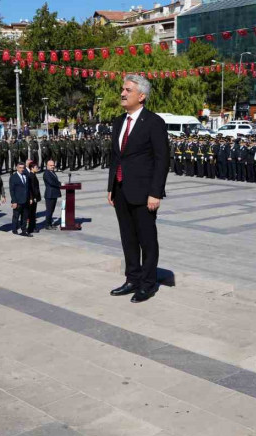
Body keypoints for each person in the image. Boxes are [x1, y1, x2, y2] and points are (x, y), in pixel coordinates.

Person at [106, 75, 169, 304]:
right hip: (121, 189)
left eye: (128, 90)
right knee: (128, 238)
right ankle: (132, 278)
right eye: (122, 89)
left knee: (147, 240)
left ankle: (148, 283)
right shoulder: (118, 122)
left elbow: (162, 160)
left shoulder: (154, 122)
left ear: (141, 96)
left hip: (144, 193)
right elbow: (116, 157)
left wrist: (155, 192)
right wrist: (111, 186)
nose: (123, 93)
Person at [9, 162, 31, 237]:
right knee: (16, 216)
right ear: (16, 168)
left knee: (24, 217)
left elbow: (28, 188)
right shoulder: (13, 177)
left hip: (26, 200)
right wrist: (14, 201)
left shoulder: (26, 176)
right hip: (17, 201)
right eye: (20, 168)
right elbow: (12, 190)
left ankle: (24, 231)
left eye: (23, 168)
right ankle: (14, 231)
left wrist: (30, 198)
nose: (22, 169)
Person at [42, 160, 61, 229]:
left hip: (54, 194)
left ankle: (50, 223)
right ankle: (47, 225)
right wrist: (60, 184)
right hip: (50, 194)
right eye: (51, 165)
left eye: (53, 165)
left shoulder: (52, 172)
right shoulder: (46, 173)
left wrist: (61, 183)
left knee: (52, 210)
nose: (53, 166)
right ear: (47, 165)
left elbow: (55, 181)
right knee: (49, 210)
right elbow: (51, 182)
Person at [26, 162, 41, 234]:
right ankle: (31, 228)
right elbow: (31, 188)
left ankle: (32, 227)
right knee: (31, 213)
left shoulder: (33, 175)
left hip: (34, 197)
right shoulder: (31, 176)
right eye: (36, 167)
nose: (37, 168)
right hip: (33, 198)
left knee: (33, 213)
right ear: (32, 168)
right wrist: (32, 197)